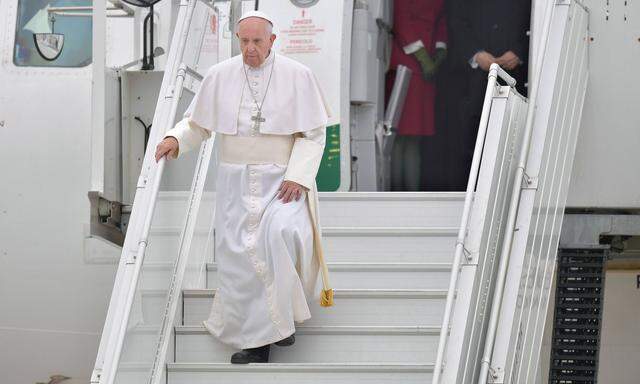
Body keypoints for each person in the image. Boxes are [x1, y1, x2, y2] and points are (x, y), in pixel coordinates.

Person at [154, 10, 333, 364]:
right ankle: (258, 343)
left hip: (282, 183)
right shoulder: (220, 76)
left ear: (272, 41)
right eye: (244, 41)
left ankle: (282, 321)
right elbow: (198, 123)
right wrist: (176, 138)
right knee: (240, 260)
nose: (250, 49)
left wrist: (298, 175)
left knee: (280, 234)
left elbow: (313, 134)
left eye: (257, 41)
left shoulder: (298, 75)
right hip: (236, 183)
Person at [439, 0, 531, 190]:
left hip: (515, 80)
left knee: (509, 147)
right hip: (468, 82)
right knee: (468, 148)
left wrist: (519, 51)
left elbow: (534, 22)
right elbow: (456, 20)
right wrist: (476, 54)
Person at [386, 0, 448, 191]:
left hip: (424, 71)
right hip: (404, 66)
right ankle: (395, 194)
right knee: (396, 137)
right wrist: (422, 56)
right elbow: (400, 20)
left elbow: (441, 21)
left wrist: (440, 50)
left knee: (415, 137)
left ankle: (412, 194)